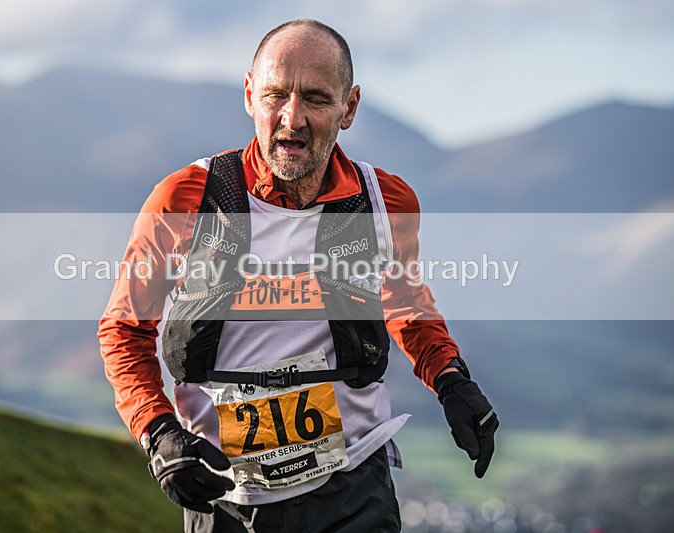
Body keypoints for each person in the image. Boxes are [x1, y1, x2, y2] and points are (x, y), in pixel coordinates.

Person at [98, 19, 498, 532]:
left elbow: (407, 309)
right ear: (248, 94)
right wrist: (158, 434)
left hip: (353, 484)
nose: (292, 118)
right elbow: (124, 330)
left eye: (315, 98)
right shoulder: (185, 199)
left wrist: (451, 381)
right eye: (275, 95)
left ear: (349, 107)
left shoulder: (384, 203)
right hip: (227, 495)